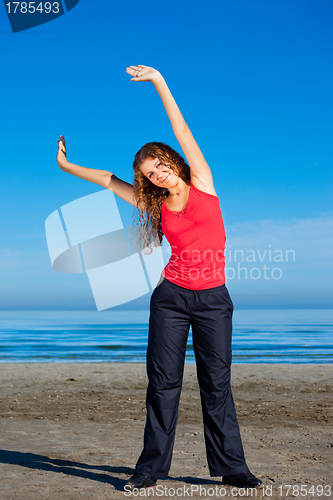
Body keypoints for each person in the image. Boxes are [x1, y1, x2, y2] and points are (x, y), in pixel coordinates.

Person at [56, 65, 262, 490]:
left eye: (161, 166)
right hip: (170, 298)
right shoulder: (158, 205)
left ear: (172, 161)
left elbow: (181, 127)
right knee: (163, 385)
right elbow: (109, 181)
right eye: (151, 174)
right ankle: (149, 471)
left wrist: (159, 81)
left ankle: (233, 468)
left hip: (213, 300)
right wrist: (66, 165)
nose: (159, 175)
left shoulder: (202, 182)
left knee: (216, 384)